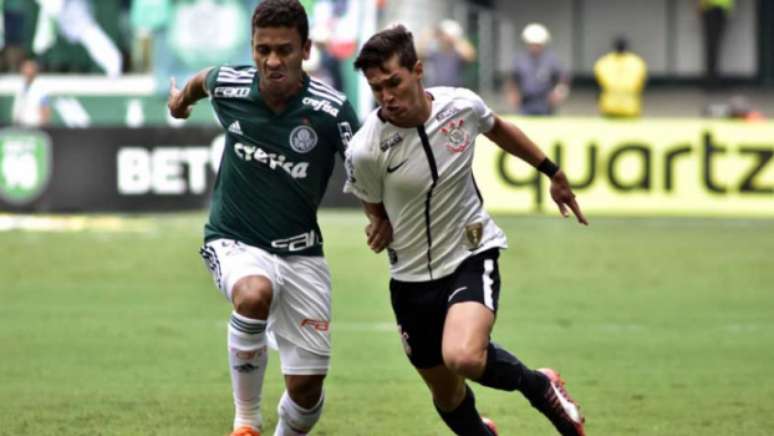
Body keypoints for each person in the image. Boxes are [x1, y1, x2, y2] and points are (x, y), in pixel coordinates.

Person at [344, 25, 588, 436]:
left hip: (470, 254)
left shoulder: (460, 106)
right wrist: (378, 223)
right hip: (410, 279)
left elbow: (499, 129)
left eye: (394, 83)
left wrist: (552, 172)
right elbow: (370, 200)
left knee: (464, 357)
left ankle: (540, 387)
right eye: (376, 88)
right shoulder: (365, 148)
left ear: (417, 70)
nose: (387, 97)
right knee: (448, 395)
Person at [167, 1, 360, 435]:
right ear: (252, 47)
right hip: (234, 238)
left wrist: (379, 216)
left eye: (284, 50)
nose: (272, 61)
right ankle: (246, 422)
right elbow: (202, 81)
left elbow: (365, 168)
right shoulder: (230, 85)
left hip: (302, 253)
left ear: (305, 50)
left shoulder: (332, 111)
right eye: (262, 49)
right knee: (254, 294)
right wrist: (180, 102)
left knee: (306, 394)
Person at [505, 22, 570, 116]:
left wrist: (559, 92)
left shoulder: (551, 60)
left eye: (538, 44)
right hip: (525, 102)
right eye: (532, 44)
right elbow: (512, 79)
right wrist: (512, 94)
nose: (535, 47)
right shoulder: (519, 60)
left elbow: (563, 78)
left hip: (546, 103)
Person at [593, 36, 647, 118]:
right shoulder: (637, 62)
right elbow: (642, 85)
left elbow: (598, 86)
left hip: (608, 107)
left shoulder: (604, 62)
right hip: (631, 108)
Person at [417, 19, 476, 88]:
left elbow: (470, 57)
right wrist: (426, 36)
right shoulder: (434, 52)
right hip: (435, 89)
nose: (441, 38)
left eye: (443, 35)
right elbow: (418, 55)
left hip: (454, 90)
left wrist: (456, 39)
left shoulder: (458, 52)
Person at [699, 0, 734, 88]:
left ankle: (712, 79)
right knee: (712, 46)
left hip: (717, 9)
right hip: (712, 9)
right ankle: (711, 80)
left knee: (713, 46)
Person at [12, 58, 51, 127]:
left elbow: (45, 110)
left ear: (35, 71)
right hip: (19, 126)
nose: (26, 71)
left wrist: (43, 126)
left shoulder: (41, 89)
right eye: (24, 68)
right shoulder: (20, 87)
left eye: (29, 68)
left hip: (35, 126)